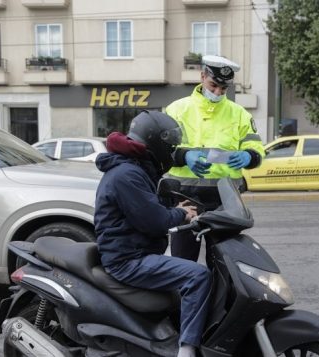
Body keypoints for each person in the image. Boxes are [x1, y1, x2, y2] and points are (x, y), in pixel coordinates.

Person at [94, 110, 212, 357]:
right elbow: (154, 221)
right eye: (168, 147)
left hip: (135, 251)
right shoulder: (127, 175)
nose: (170, 152)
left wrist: (174, 207)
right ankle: (187, 350)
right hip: (128, 260)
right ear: (154, 142)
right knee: (197, 276)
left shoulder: (134, 167)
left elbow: (150, 208)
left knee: (184, 278)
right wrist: (180, 214)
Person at [165, 55, 265, 262]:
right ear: (202, 77)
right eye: (213, 85)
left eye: (223, 88)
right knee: (183, 260)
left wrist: (249, 155)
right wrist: (185, 156)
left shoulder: (239, 114)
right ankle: (185, 295)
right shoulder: (177, 109)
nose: (218, 92)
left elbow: (256, 148)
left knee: (223, 260)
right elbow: (161, 150)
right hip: (186, 196)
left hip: (225, 199)